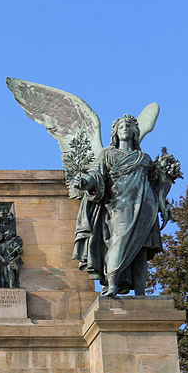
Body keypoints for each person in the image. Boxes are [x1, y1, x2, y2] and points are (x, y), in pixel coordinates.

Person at [72, 115, 166, 296]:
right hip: (118, 206)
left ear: (135, 132)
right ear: (115, 131)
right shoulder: (107, 154)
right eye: (121, 126)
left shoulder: (144, 158)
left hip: (145, 206)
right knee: (118, 241)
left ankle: (141, 293)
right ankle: (112, 285)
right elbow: (95, 175)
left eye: (129, 126)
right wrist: (85, 182)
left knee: (141, 250)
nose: (125, 128)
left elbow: (156, 184)